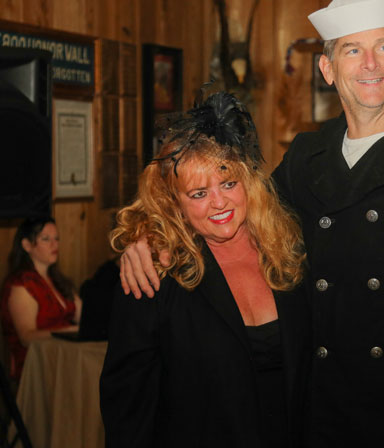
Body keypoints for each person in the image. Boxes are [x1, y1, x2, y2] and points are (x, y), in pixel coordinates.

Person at [120, 0, 384, 448]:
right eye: (353, 50)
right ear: (328, 69)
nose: (371, 63)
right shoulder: (308, 156)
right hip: (322, 411)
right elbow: (232, 210)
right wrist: (149, 236)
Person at [99, 92, 310, 447]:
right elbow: (127, 404)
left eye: (228, 183)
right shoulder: (155, 272)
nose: (219, 202)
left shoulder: (287, 250)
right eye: (198, 193)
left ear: (248, 183)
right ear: (174, 202)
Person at [0, 217, 82, 380]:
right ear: (27, 245)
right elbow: (26, 337)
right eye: (46, 239)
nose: (54, 245)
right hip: (37, 365)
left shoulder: (59, 281)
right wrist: (69, 331)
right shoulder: (21, 285)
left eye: (57, 239)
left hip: (65, 357)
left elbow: (84, 316)